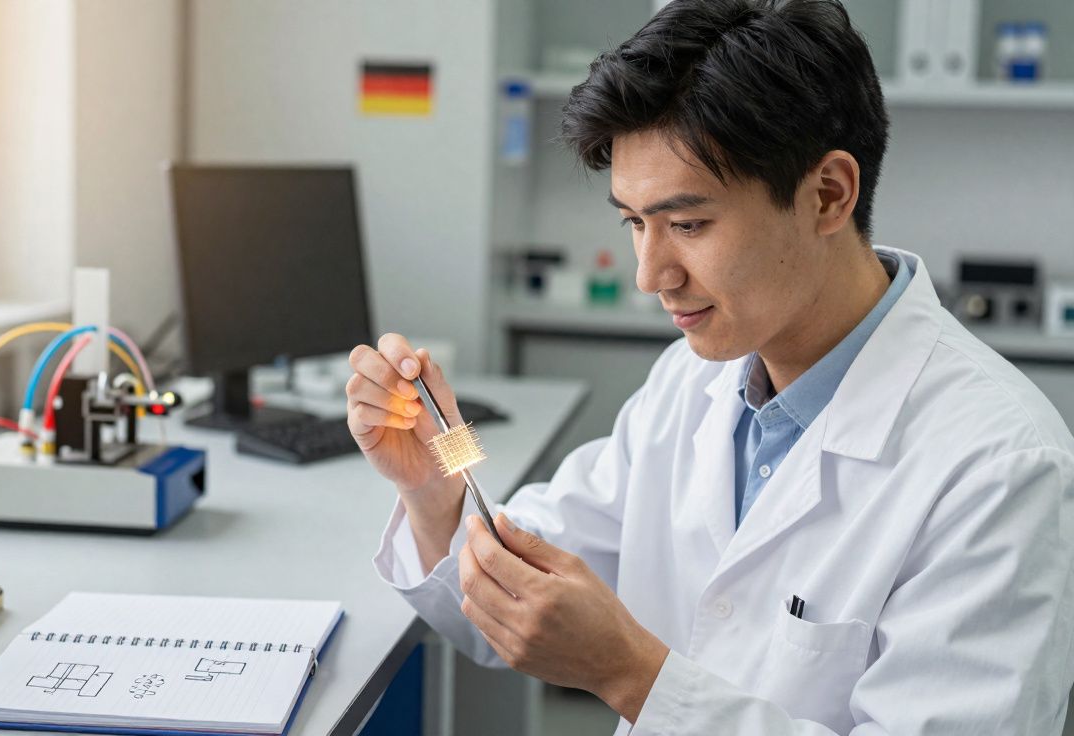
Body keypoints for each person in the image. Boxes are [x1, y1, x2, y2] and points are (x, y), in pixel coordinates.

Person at [346, 0, 1074, 733]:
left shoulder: (1001, 468)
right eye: (635, 223)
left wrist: (629, 674)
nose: (650, 274)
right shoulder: (689, 381)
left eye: (688, 225)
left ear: (828, 195)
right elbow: (512, 603)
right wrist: (435, 485)